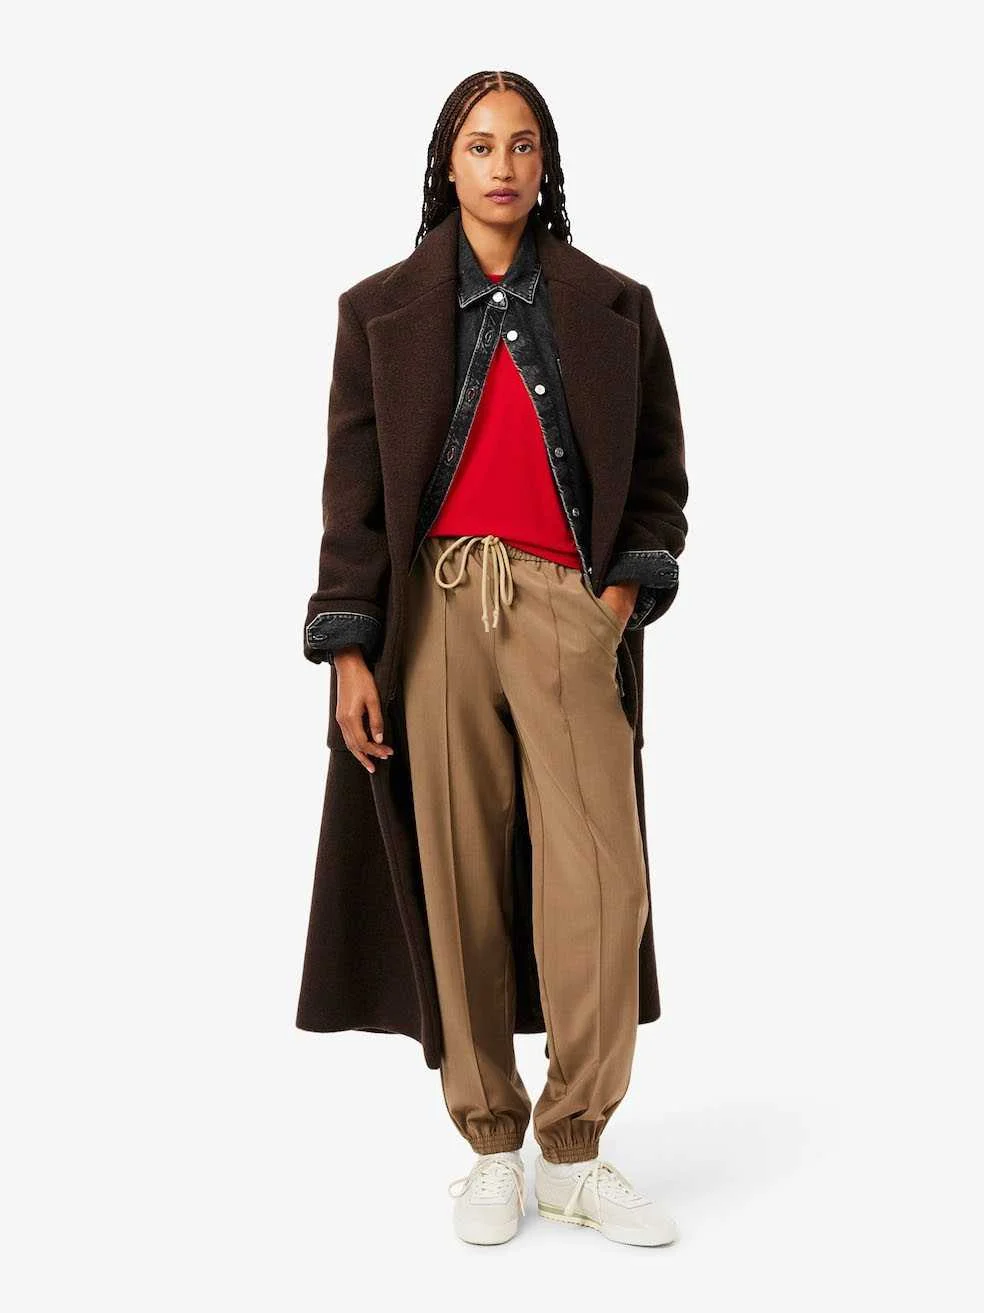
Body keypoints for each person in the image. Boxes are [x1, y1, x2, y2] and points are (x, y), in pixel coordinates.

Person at [299, 70, 688, 1247]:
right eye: (481, 145)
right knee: (456, 869)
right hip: (434, 610)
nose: (503, 166)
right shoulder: (379, 311)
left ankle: (576, 1147)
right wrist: (350, 649)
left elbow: (659, 474)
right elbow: (354, 498)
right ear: (449, 163)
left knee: (601, 878)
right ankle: (489, 1143)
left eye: (523, 145)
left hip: (568, 606)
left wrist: (615, 599)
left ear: (545, 163)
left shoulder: (616, 305)